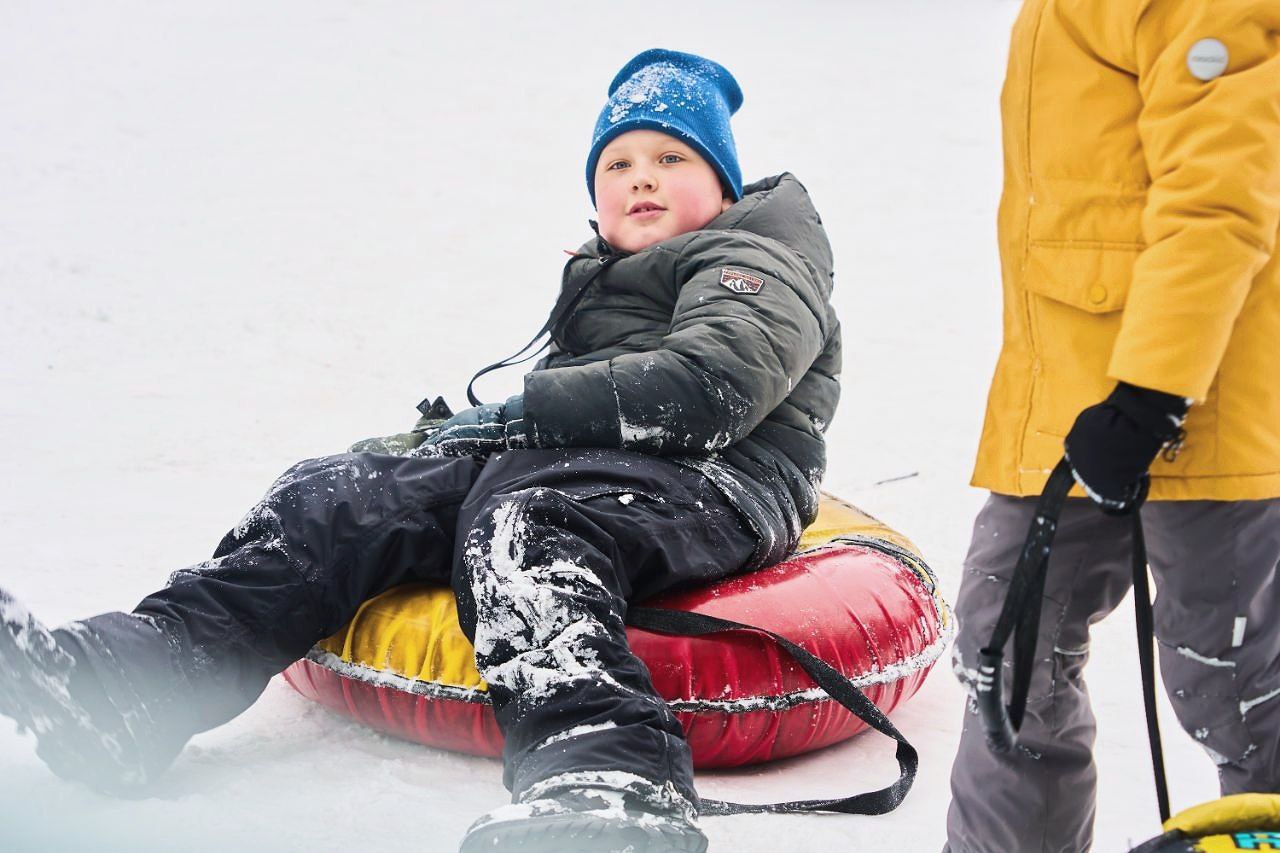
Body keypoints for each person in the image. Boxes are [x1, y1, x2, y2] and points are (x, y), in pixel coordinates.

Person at [0, 49, 840, 853]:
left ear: (724, 187)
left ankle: (610, 777)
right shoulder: (604, 274)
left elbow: (709, 386)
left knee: (528, 526)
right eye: (616, 164)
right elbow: (555, 423)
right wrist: (429, 446)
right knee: (339, 496)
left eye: (671, 158)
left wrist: (517, 416)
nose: (641, 177)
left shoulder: (753, 256)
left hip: (720, 476)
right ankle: (132, 689)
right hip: (594, 461)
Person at [945, 1, 1280, 850]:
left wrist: (1152, 390)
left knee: (1235, 683)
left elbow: (1219, 192)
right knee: (1008, 657)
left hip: (1206, 402)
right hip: (1065, 401)